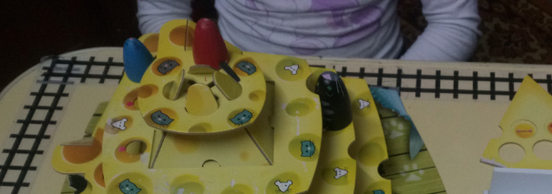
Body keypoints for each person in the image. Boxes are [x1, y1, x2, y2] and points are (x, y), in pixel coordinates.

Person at [137, 0, 480, 62]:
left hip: (378, 79)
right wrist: (198, 72)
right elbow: (163, 13)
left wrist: (391, 92)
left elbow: (453, 23)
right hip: (234, 74)